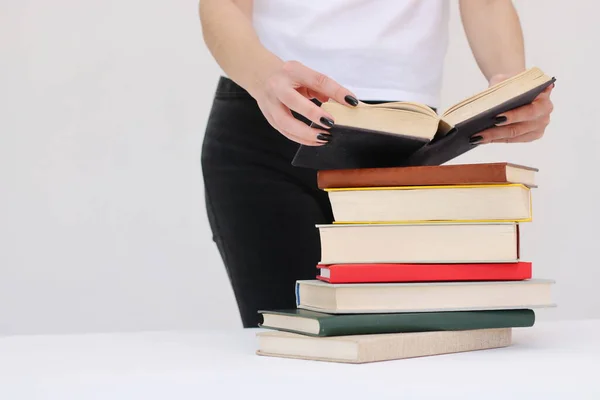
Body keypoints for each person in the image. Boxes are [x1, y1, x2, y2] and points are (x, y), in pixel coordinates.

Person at [198, 0, 555, 328]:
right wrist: (265, 78)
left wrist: (511, 89)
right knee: (289, 344)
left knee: (404, 346)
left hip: (402, 135)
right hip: (270, 117)